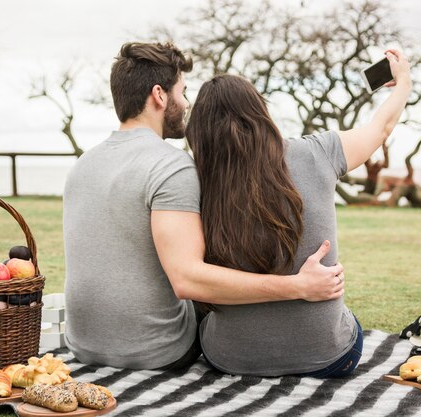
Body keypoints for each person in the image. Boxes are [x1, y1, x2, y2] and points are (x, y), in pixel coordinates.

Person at [62, 42, 345, 371]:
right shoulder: (172, 166)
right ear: (159, 95)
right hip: (159, 351)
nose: (185, 104)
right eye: (182, 92)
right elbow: (188, 281)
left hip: (82, 345)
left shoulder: (82, 165)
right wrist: (296, 286)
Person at [185, 49, 412, 377]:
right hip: (332, 359)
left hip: (231, 361)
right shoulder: (317, 151)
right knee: (344, 320)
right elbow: (381, 127)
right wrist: (402, 82)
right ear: (260, 112)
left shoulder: (193, 179)